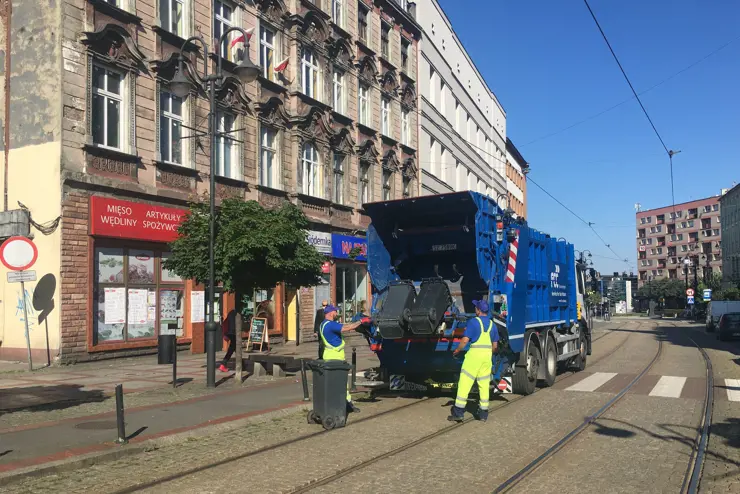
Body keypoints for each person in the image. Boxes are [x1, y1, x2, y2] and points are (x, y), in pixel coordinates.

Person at [448, 299, 499, 423]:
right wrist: (487, 353)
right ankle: (483, 414)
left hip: (473, 359)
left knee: (465, 384)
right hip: (486, 359)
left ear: (478, 310)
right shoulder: (493, 325)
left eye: (476, 307)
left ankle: (459, 413)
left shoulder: (473, 322)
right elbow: (495, 346)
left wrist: (457, 350)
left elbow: (465, 340)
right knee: (483, 385)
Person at [319, 304, 367, 413]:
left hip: (329, 354)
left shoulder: (324, 324)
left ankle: (346, 402)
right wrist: (361, 321)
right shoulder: (330, 325)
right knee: (340, 381)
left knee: (339, 381)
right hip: (335, 356)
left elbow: (344, 325)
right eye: (335, 312)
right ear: (331, 313)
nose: (337, 313)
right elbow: (347, 328)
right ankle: (344, 405)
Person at [218, 309, 237, 373]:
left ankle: (241, 364)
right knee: (232, 349)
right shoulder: (235, 314)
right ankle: (223, 364)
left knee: (234, 348)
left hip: (230, 333)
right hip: (233, 333)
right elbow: (234, 325)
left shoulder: (231, 313)